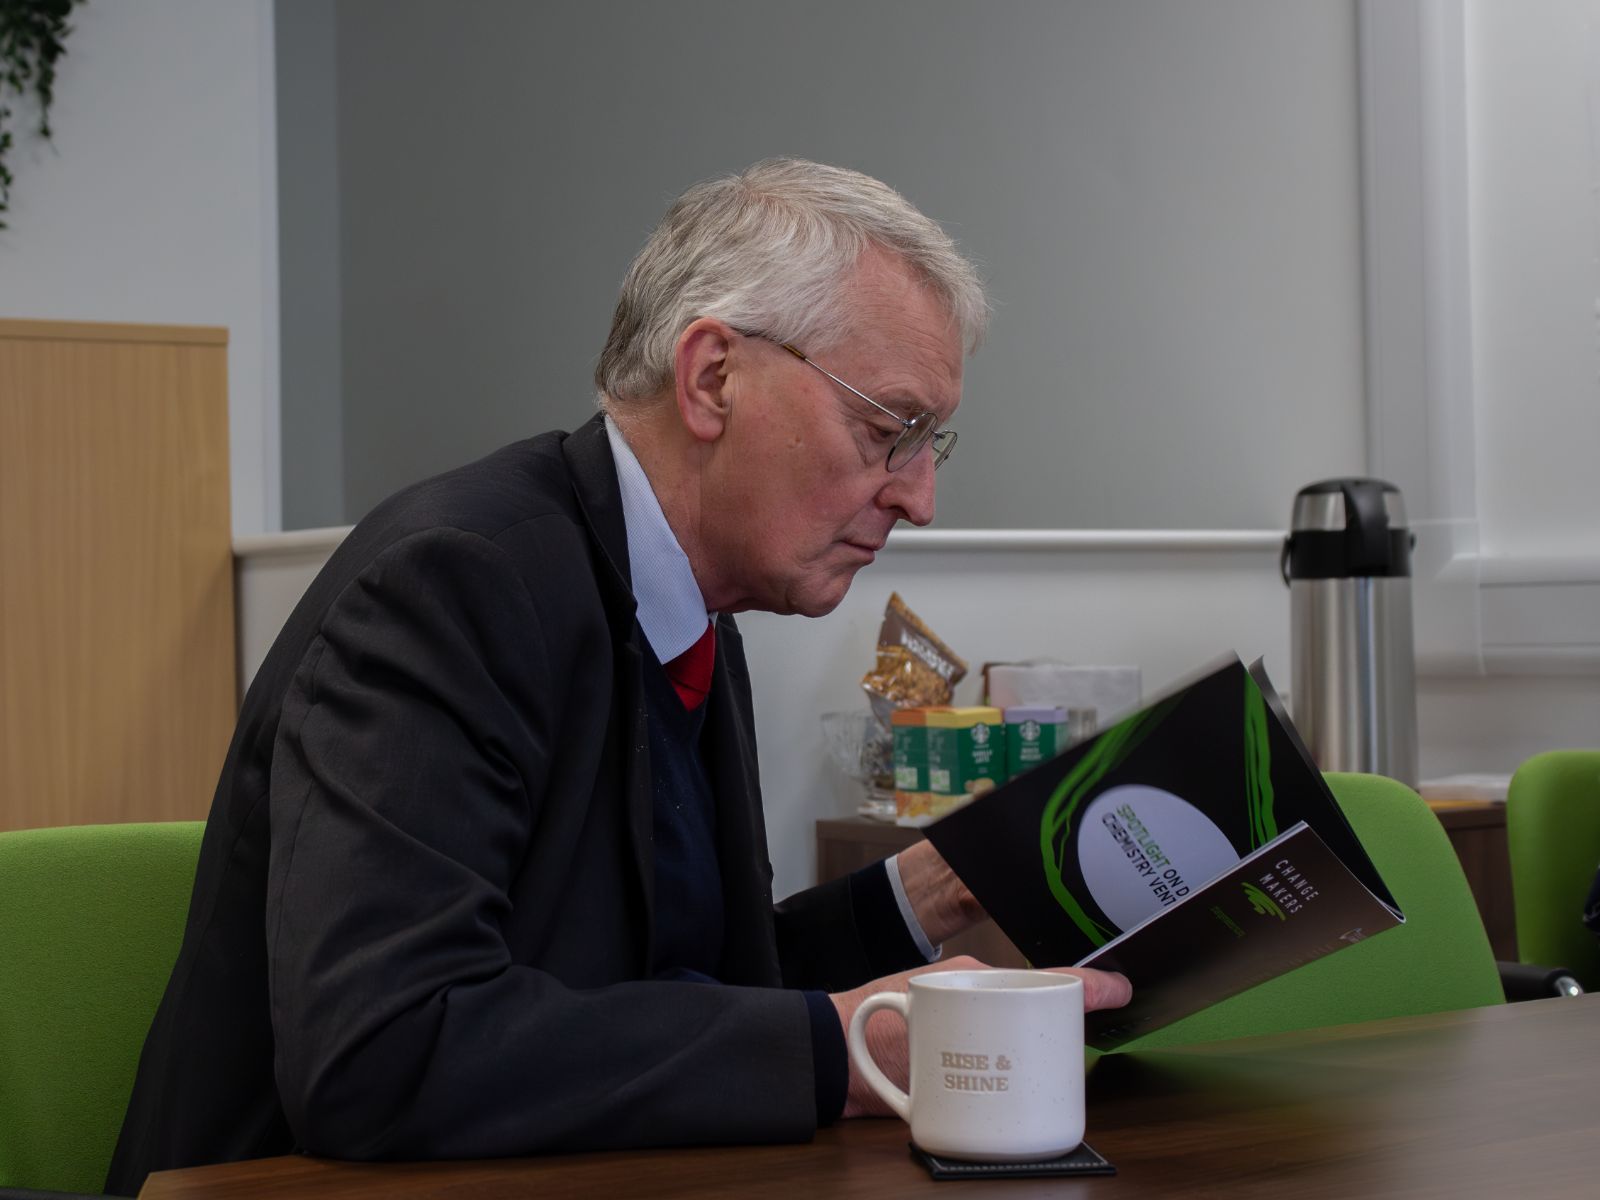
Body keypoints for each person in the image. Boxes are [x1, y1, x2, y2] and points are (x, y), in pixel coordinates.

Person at [105, 158, 1130, 1195]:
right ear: (711, 378)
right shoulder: (451, 584)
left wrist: (929, 888)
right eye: (887, 431)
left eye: (929, 444)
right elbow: (386, 1049)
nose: (919, 500)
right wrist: (843, 1047)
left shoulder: (693, 606)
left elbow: (681, 996)